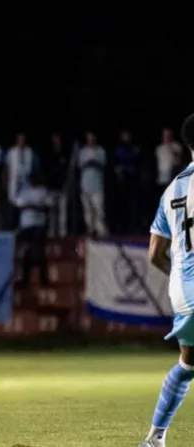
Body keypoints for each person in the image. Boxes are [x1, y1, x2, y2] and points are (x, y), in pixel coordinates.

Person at [139, 113, 194, 447]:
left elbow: (155, 253)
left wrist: (179, 275)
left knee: (188, 364)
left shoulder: (171, 189)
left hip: (183, 292)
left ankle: (155, 437)